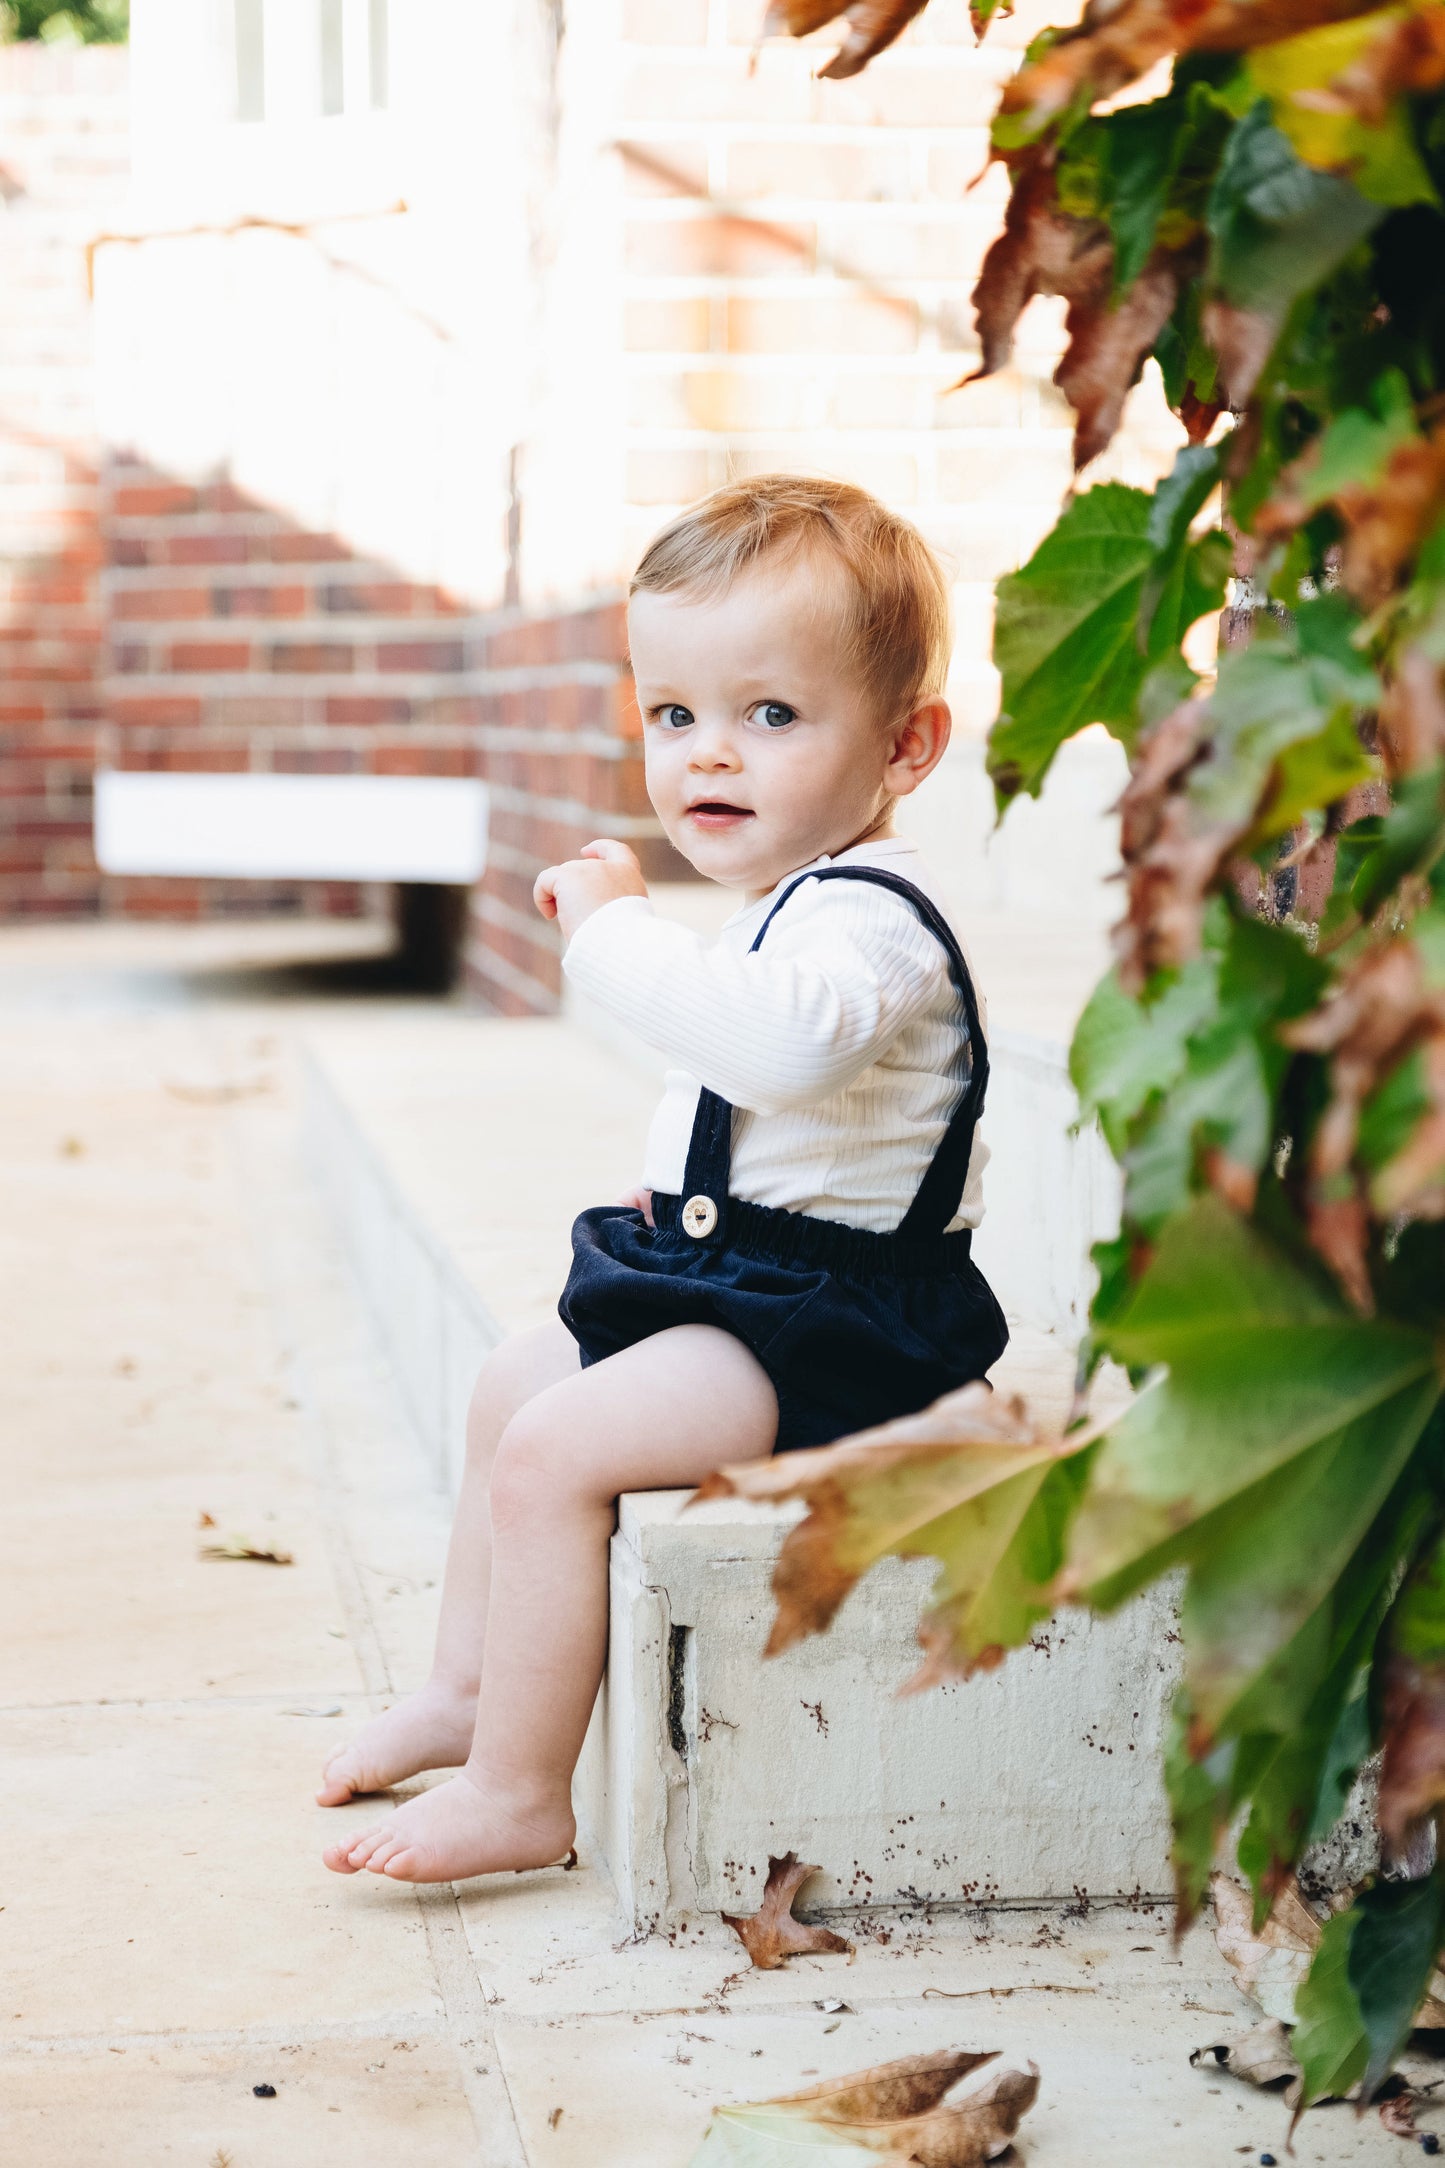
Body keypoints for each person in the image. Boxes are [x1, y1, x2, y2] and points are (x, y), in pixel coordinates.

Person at [319, 474, 1008, 1883]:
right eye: (673, 715)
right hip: (750, 1288)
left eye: (771, 715)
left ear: (906, 744)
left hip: (849, 1329)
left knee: (556, 1452)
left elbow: (777, 1051)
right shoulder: (794, 901)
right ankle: (464, 1690)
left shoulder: (878, 921)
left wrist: (617, 940)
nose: (710, 755)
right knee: (517, 1378)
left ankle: (521, 1792)